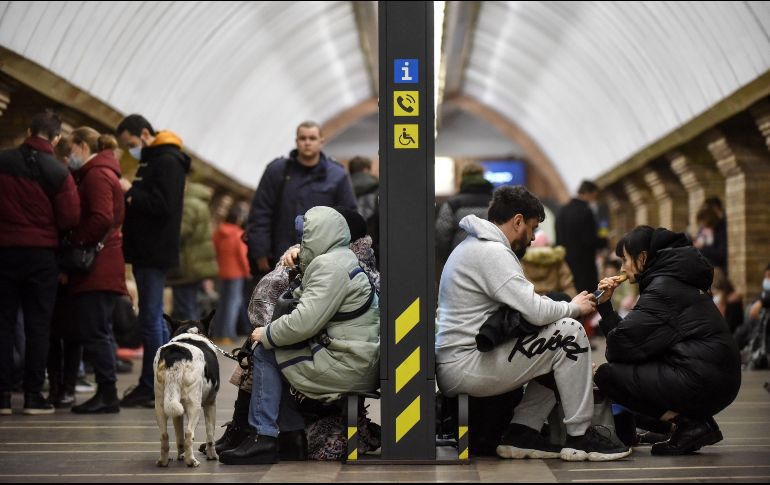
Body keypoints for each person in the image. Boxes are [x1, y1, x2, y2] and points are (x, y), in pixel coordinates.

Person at [435, 185, 631, 462]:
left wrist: (568, 306)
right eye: (533, 227)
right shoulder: (491, 252)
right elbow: (535, 310)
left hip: (461, 361)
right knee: (569, 333)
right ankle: (580, 437)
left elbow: (528, 309)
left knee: (553, 340)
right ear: (517, 221)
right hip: (467, 365)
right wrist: (574, 307)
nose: (533, 237)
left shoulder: (474, 246)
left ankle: (522, 433)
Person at [219, 206, 380, 465]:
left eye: (306, 235)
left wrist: (266, 334)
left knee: (265, 352)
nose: (302, 241)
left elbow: (304, 321)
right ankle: (288, 438)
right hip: (354, 357)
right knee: (273, 351)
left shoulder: (330, 266)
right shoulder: (340, 259)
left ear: (320, 234)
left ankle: (264, 437)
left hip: (346, 364)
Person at [594, 226, 741, 455]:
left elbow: (621, 347)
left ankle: (689, 425)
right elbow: (635, 345)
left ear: (642, 258)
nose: (622, 268)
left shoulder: (663, 288)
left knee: (607, 376)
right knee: (626, 372)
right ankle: (687, 424)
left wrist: (604, 307)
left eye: (625, 260)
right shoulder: (673, 280)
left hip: (703, 379)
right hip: (714, 375)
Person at [0, 110, 80, 415]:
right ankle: (34, 395)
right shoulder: (59, 172)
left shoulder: (2, 161)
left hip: (4, 253)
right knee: (38, 326)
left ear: (28, 129)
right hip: (41, 257)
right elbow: (70, 218)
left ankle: (3, 396)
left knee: (4, 322)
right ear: (57, 137)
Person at [116, 114, 190, 408]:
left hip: (153, 250)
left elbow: (163, 206)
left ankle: (152, 385)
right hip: (147, 248)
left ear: (144, 133)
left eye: (130, 143)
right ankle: (160, 380)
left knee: (150, 319)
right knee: (154, 318)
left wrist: (130, 191)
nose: (129, 149)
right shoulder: (155, 159)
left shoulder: (167, 161)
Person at [64, 127, 127, 414]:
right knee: (97, 329)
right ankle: (106, 391)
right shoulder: (103, 172)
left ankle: (107, 393)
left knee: (95, 330)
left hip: (99, 266)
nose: (70, 155)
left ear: (81, 145)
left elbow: (101, 217)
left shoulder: (96, 174)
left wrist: (76, 240)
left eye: (72, 148)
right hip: (106, 264)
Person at [245, 121, 357, 278]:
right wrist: (260, 252)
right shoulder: (277, 172)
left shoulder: (337, 175)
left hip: (324, 259)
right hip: (279, 258)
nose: (307, 143)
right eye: (303, 138)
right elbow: (260, 212)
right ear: (296, 141)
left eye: (312, 138)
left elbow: (349, 217)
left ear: (321, 142)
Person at [167, 181, 219, 321]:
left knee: (184, 307)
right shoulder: (201, 204)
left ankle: (192, 337)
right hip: (197, 264)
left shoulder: (188, 204)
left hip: (188, 263)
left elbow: (182, 231)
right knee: (190, 304)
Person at [435, 161, 495, 267]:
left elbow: (442, 233)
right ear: (482, 176)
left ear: (462, 178)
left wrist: (446, 259)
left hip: (460, 260)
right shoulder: (495, 202)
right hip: (491, 259)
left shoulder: (453, 204)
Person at [555, 180, 606, 294]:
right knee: (587, 298)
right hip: (585, 266)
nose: (594, 199)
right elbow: (589, 239)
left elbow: (558, 241)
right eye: (594, 196)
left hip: (566, 265)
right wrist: (604, 241)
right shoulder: (585, 211)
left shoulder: (562, 211)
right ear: (588, 193)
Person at [212, 206, 251, 342]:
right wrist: (247, 271)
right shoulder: (238, 233)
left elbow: (214, 250)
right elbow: (242, 256)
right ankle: (228, 334)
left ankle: (218, 334)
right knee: (233, 304)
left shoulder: (218, 232)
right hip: (236, 273)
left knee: (222, 303)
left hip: (222, 272)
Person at [520, 230, 577, 298]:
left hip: (532, 303)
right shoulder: (557, 260)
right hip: (557, 303)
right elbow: (568, 286)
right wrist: (572, 304)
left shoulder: (523, 262)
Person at [693, 201, 727, 273]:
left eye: (704, 225)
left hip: (716, 269)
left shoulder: (720, 231)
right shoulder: (703, 230)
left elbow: (721, 254)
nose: (702, 227)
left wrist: (702, 248)